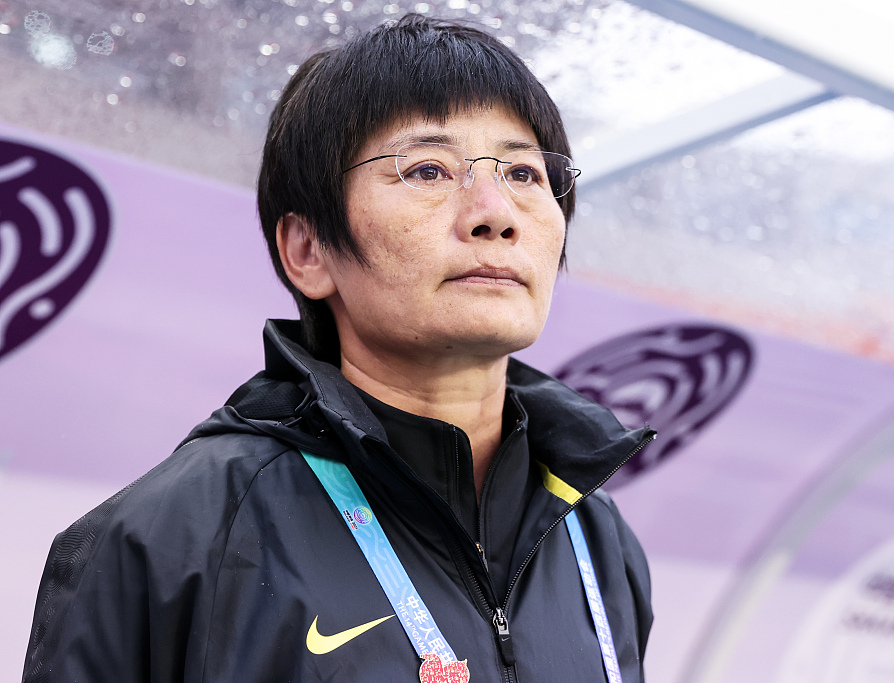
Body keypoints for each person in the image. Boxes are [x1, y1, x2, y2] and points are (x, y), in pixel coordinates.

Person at [23, 15, 654, 683]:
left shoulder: (598, 538)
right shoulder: (175, 536)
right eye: (428, 169)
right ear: (308, 249)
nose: (495, 213)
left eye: (524, 173)